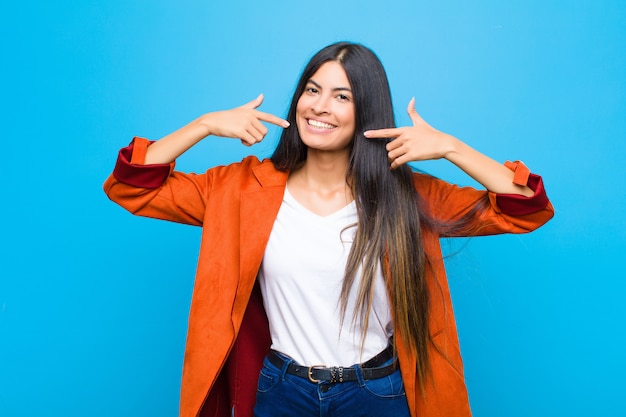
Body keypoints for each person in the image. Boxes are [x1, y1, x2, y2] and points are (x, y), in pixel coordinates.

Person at [103, 42, 553, 417]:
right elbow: (132, 187)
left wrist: (452, 148)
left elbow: (524, 209)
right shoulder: (240, 189)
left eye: (342, 96)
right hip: (281, 391)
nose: (320, 106)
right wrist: (202, 125)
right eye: (312, 90)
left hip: (377, 393)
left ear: (366, 111)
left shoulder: (407, 195)